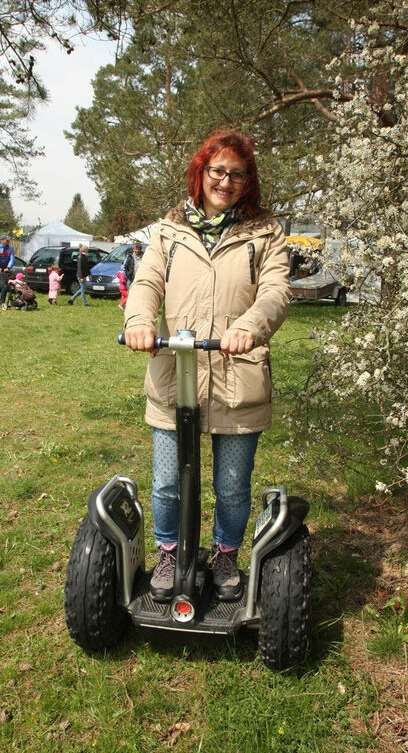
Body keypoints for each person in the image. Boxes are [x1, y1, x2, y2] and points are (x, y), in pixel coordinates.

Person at [123, 128, 290, 602]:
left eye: (238, 174)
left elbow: (276, 291)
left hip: (239, 377)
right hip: (177, 374)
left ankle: (224, 555)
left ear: (248, 180)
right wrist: (138, 321)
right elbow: (147, 283)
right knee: (167, 481)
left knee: (233, 486)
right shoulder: (169, 231)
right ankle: (171, 552)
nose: (226, 181)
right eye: (218, 171)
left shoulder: (265, 232)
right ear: (201, 172)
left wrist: (251, 325)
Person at [0, 234, 15, 307]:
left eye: (8, 240)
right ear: (2, 240)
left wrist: (8, 267)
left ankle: (2, 302)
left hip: (5, 270)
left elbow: (12, 259)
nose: (8, 241)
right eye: (6, 240)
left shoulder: (10, 249)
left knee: (5, 286)